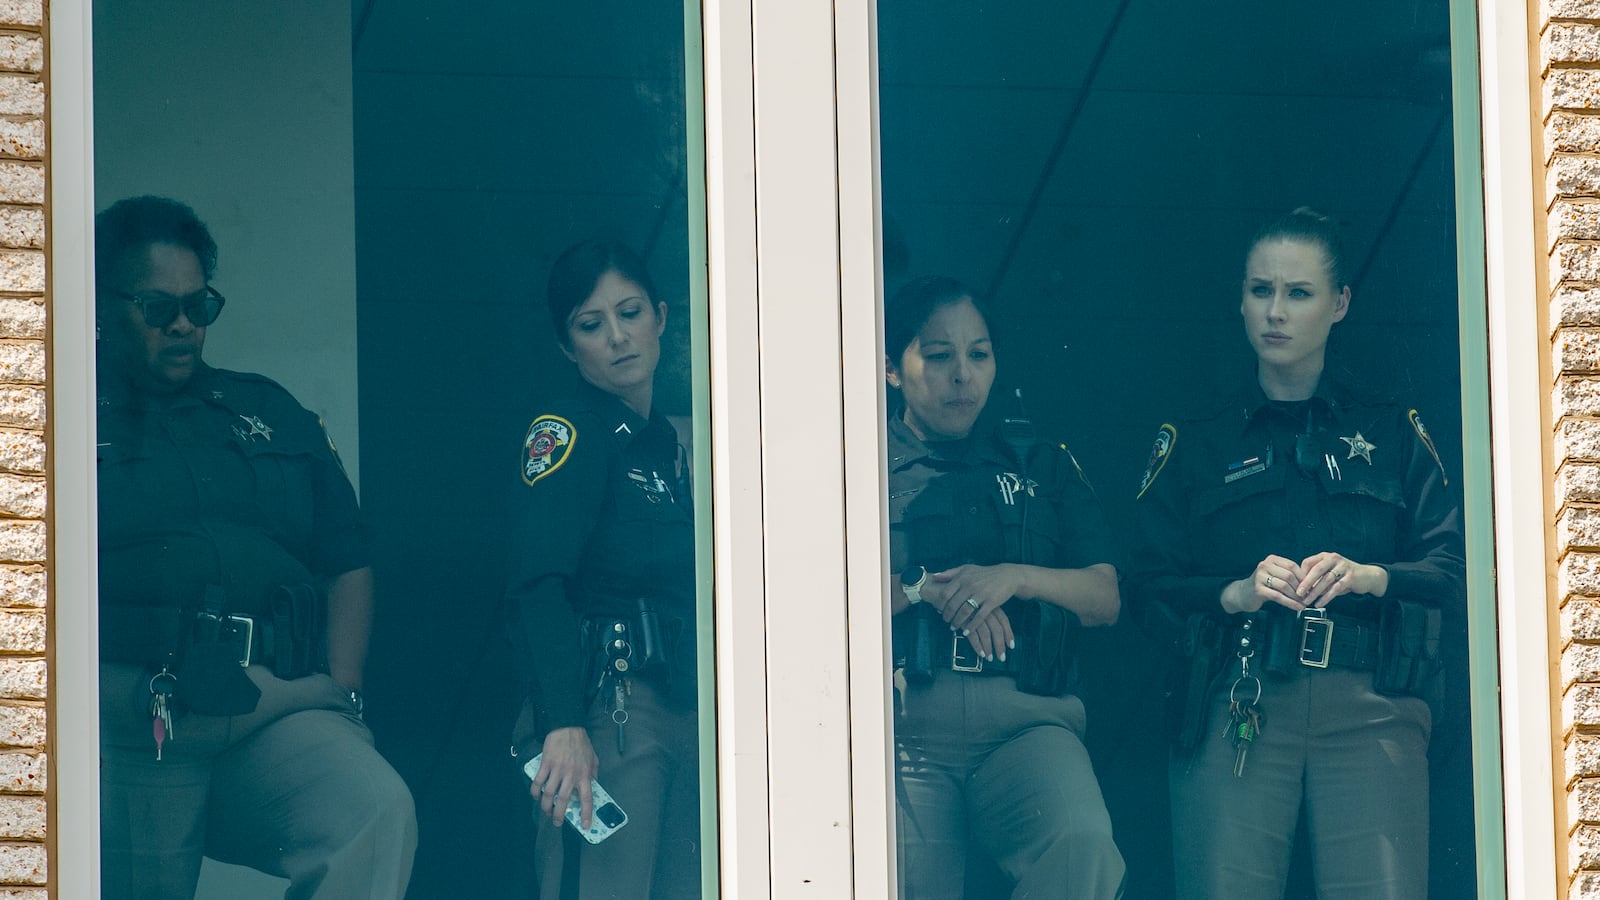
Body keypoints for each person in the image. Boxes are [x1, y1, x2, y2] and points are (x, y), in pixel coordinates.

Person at [1129, 208, 1466, 899]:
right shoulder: (1197, 438)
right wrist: (1234, 592)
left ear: (1340, 304)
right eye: (1260, 290)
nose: (1274, 312)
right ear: (1241, 297)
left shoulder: (1391, 428)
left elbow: (1455, 572)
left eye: (1299, 293)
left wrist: (1371, 576)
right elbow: (1144, 586)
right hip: (1240, 698)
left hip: (1373, 701)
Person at [94, 195, 416, 899]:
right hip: (134, 716)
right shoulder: (58, 408)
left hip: (271, 702)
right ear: (100, 303)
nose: (182, 325)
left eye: (199, 306)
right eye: (157, 308)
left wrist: (343, 688)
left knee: (373, 809)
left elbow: (346, 554)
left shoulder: (266, 410)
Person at [885, 275, 1126, 899]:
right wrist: (922, 589)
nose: (962, 374)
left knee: (1082, 844)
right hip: (908, 722)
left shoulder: (1040, 463)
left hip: (1027, 717)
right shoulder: (860, 461)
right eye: (938, 356)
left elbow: (1105, 598)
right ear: (890, 368)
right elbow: (814, 593)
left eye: (978, 353)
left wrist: (1016, 578)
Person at [506, 238, 699, 899]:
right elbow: (538, 584)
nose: (618, 337)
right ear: (568, 347)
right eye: (592, 325)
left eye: (631, 312)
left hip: (686, 702)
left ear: (662, 318)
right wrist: (563, 723)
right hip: (608, 709)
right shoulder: (568, 431)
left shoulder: (672, 446)